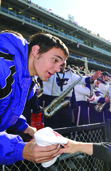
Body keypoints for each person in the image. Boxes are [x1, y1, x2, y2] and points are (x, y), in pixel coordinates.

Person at [0, 31, 67, 165]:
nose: (58, 69)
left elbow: (6, 108)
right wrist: (19, 150)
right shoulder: (3, 67)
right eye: (55, 60)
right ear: (36, 51)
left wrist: (25, 127)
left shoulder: (29, 80)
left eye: (60, 64)